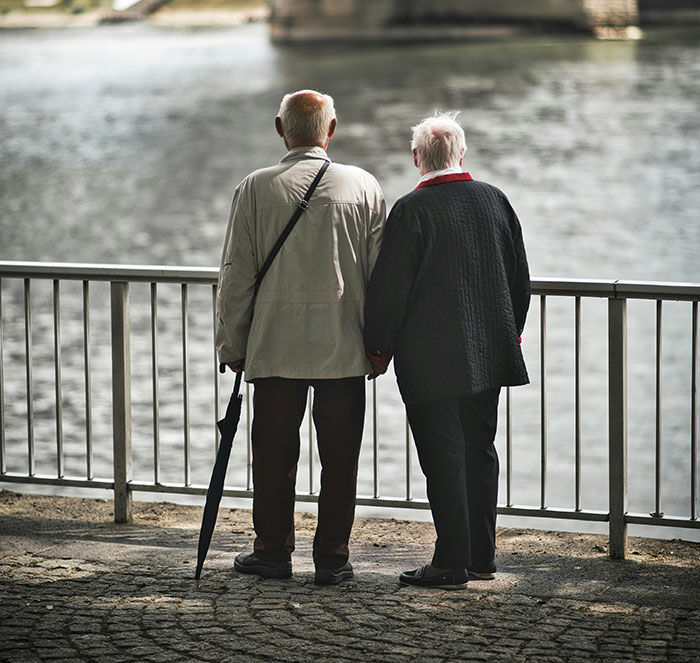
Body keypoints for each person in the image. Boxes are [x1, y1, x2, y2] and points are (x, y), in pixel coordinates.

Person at [216, 90, 385, 585]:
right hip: (343, 348)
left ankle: (272, 553)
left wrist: (233, 345)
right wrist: (379, 347)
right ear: (331, 130)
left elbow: (236, 276)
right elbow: (382, 278)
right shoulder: (363, 185)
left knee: (273, 459)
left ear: (279, 128)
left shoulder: (254, 188)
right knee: (340, 460)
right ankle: (332, 558)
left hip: (274, 348)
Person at [364, 112, 530, 590]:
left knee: (443, 460)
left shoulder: (412, 211)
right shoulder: (495, 199)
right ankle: (482, 558)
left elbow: (390, 290)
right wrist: (510, 332)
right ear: (462, 153)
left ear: (417, 158)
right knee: (480, 452)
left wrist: (378, 349)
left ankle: (450, 562)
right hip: (490, 352)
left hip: (431, 359)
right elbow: (520, 279)